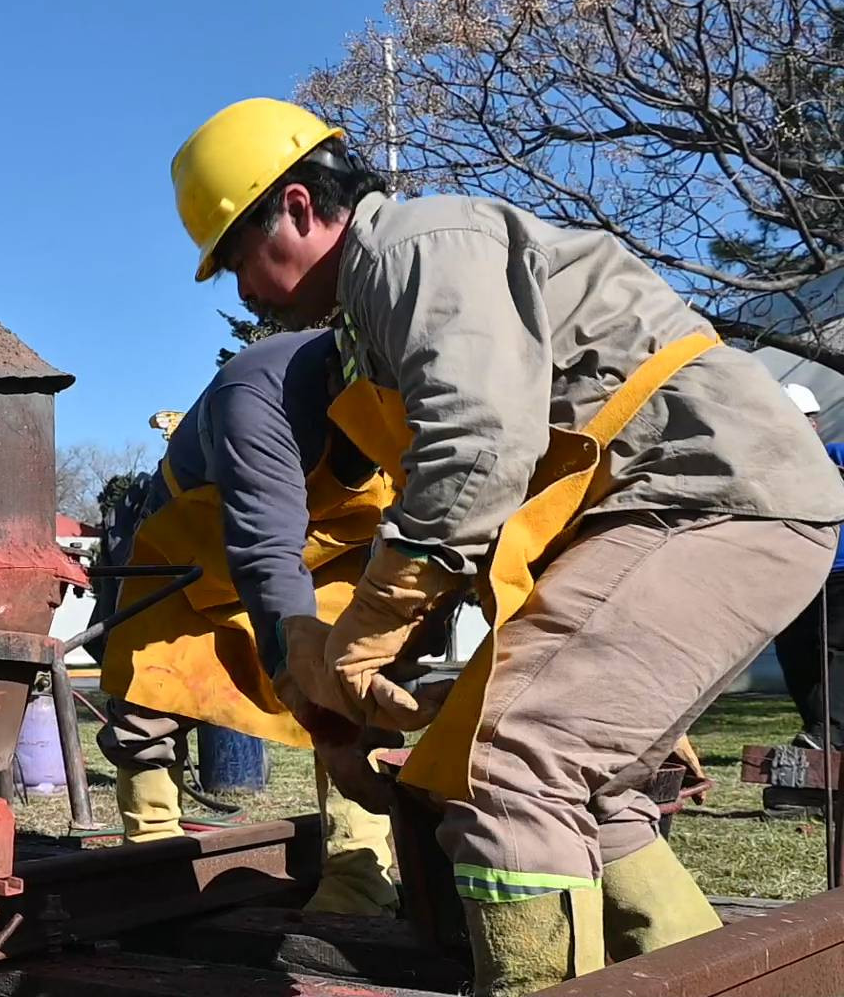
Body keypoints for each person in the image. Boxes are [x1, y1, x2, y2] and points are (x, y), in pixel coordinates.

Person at [171, 97, 844, 996]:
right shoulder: (376, 311)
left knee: (511, 765)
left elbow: (477, 450)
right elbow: (466, 507)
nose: (244, 291)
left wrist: (365, 632)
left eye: (239, 260)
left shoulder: (416, 251)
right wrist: (352, 698)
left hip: (705, 499)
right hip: (672, 505)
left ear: (297, 206)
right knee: (579, 783)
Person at [96, 329, 414, 917]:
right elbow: (268, 554)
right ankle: (153, 859)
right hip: (197, 547)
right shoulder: (257, 394)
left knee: (355, 685)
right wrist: (305, 689)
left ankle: (358, 876)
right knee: (152, 690)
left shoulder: (427, 389)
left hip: (338, 553)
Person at [768, 383, 844, 808]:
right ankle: (819, 746)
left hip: (840, 574)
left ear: (811, 424)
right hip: (794, 575)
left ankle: (824, 738)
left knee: (832, 653)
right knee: (794, 655)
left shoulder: (834, 456)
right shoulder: (769, 468)